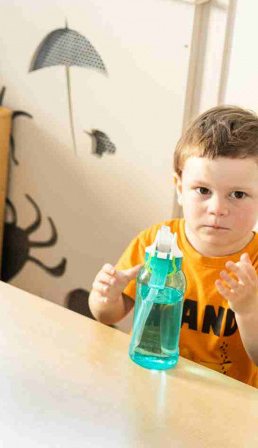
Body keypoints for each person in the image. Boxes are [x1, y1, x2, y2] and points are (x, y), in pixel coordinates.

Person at [89, 105, 258, 386]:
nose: (217, 209)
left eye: (238, 194)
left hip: (227, 404)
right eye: (203, 190)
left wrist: (249, 309)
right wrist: (105, 297)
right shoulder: (155, 243)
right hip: (153, 382)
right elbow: (108, 315)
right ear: (180, 188)